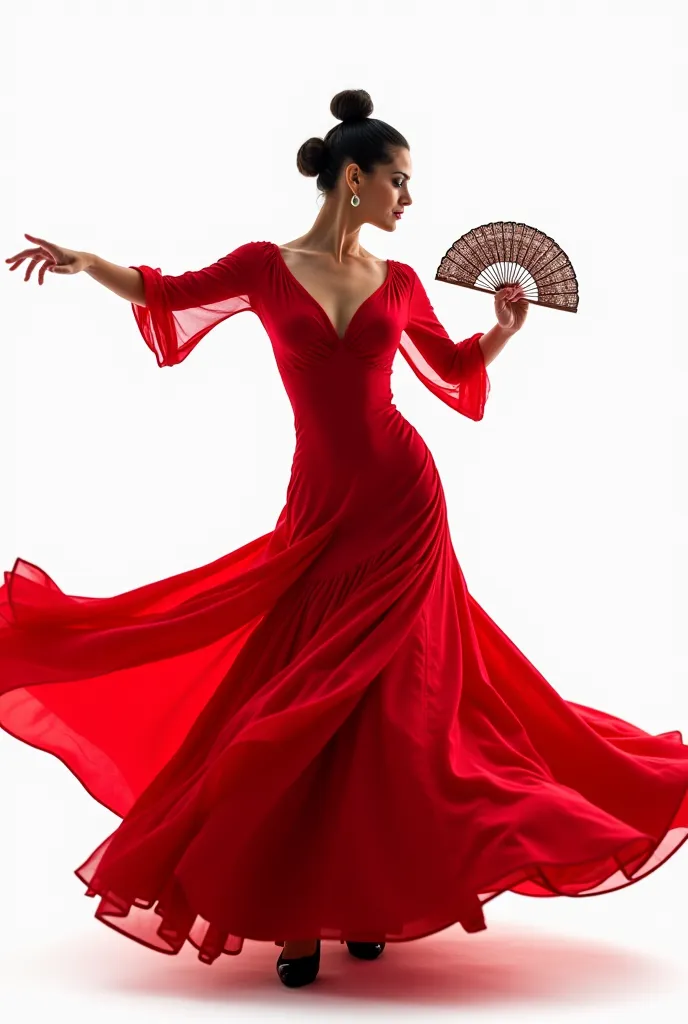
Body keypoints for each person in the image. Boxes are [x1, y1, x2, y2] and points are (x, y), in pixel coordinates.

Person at [2, 88, 687, 991]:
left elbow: (448, 372)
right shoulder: (263, 265)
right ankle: (298, 907)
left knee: (398, 705)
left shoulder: (398, 285)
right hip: (321, 512)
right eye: (400, 181)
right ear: (353, 179)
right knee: (304, 700)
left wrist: (502, 334)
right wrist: (88, 263)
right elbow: (166, 293)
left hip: (402, 505)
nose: (410, 200)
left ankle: (359, 899)